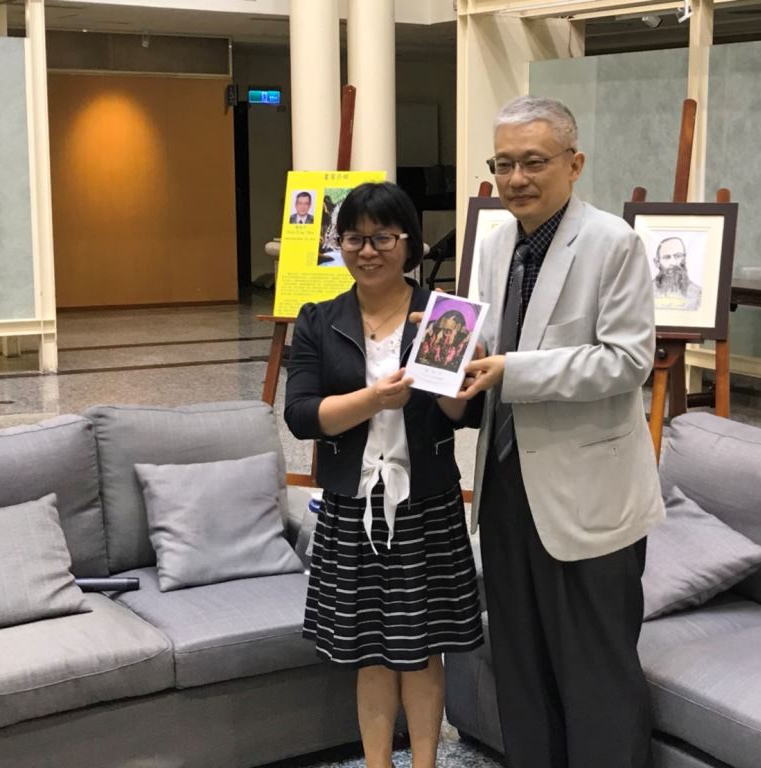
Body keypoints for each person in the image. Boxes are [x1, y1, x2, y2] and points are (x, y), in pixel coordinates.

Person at [458, 95, 665, 768]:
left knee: (596, 673)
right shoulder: (495, 242)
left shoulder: (612, 243)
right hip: (504, 482)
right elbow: (488, 338)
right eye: (503, 164)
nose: (515, 178)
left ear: (574, 165)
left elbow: (627, 360)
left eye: (533, 162)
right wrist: (452, 363)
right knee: (519, 664)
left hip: (587, 494)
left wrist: (510, 370)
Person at [284, 182, 483, 768]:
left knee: (423, 651)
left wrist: (454, 382)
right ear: (340, 244)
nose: (368, 251)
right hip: (353, 503)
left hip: (427, 501)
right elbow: (301, 416)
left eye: (383, 238)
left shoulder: (441, 314)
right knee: (368, 651)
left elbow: (465, 415)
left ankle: (425, 763)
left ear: (408, 243)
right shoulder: (319, 320)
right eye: (355, 239)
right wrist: (374, 399)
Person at [654, 236, 702, 310]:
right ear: (657, 262)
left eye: (678, 256)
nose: (673, 263)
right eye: (666, 257)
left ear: (684, 259)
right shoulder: (644, 292)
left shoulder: (698, 294)